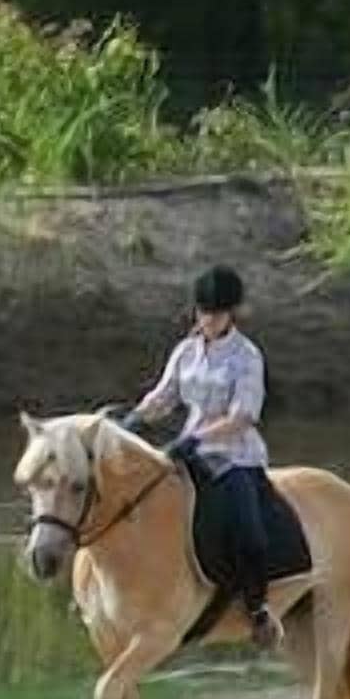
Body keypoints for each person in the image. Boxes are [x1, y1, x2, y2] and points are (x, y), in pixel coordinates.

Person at [124, 264, 281, 650]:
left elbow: (243, 417)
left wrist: (196, 439)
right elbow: (165, 396)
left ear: (230, 314)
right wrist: (133, 418)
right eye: (203, 312)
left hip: (233, 456)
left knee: (249, 533)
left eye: (216, 313)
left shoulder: (246, 356)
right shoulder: (186, 352)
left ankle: (259, 610)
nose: (208, 320)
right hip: (187, 452)